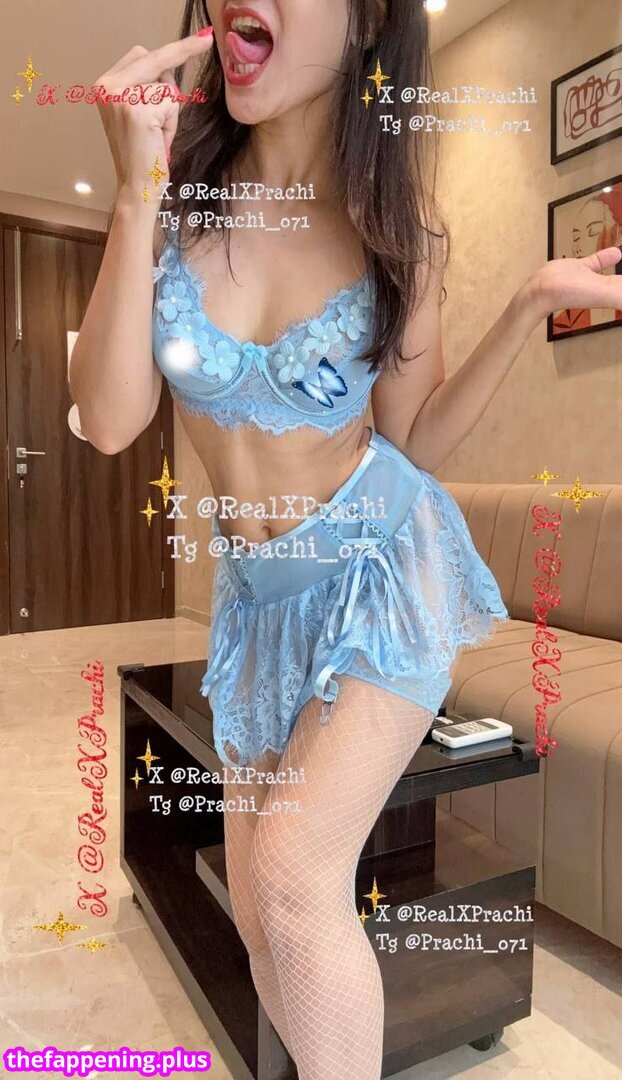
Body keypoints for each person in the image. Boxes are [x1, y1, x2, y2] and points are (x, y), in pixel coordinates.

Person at [69, 3, 622, 1077]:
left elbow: (414, 440)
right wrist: (136, 188)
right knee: (257, 906)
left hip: (384, 569)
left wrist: (525, 305)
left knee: (290, 878)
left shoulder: (394, 225)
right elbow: (110, 418)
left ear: (367, 18)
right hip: (256, 603)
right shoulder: (176, 204)